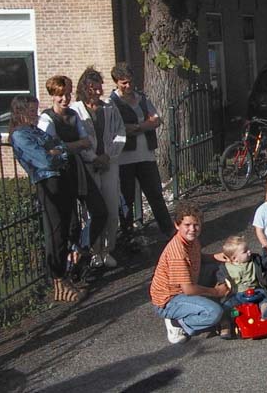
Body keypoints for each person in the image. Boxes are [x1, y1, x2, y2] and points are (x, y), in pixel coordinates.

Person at [9, 96, 86, 302]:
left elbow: (59, 146)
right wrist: (56, 152)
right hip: (48, 183)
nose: (35, 114)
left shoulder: (35, 131)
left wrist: (56, 151)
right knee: (56, 231)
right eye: (31, 110)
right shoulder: (19, 135)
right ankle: (57, 279)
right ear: (20, 111)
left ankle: (68, 272)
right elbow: (44, 161)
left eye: (36, 109)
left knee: (72, 226)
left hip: (63, 178)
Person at [37, 75, 108, 266]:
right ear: (53, 95)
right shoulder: (47, 119)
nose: (65, 99)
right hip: (60, 172)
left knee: (100, 210)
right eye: (60, 95)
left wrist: (86, 153)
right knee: (71, 223)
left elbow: (86, 143)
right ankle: (69, 266)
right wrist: (75, 145)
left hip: (77, 168)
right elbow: (50, 149)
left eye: (68, 94)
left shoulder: (73, 115)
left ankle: (83, 249)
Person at [150, 203, 230, 344]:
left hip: (188, 281)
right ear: (177, 225)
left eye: (196, 225)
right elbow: (188, 289)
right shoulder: (178, 253)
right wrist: (216, 292)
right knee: (214, 313)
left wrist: (216, 256)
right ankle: (178, 323)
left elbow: (198, 257)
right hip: (171, 299)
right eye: (187, 225)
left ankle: (218, 299)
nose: (192, 229)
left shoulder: (191, 240)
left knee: (220, 267)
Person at [71, 67, 126, 269]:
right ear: (84, 89)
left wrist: (108, 156)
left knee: (111, 208)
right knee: (93, 211)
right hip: (89, 166)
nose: (96, 92)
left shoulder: (109, 107)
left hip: (109, 164)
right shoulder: (76, 110)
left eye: (98, 88)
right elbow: (79, 138)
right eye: (92, 88)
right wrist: (93, 158)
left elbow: (119, 133)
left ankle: (107, 249)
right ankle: (93, 251)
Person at [109, 63, 172, 238]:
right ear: (116, 82)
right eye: (123, 83)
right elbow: (119, 128)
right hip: (125, 157)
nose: (128, 86)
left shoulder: (142, 98)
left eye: (130, 82)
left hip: (146, 155)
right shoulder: (111, 103)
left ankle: (168, 230)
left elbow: (157, 120)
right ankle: (128, 234)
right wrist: (145, 124)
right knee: (126, 199)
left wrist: (136, 127)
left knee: (155, 194)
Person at [215, 235, 267, 338]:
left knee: (264, 296)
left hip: (255, 290)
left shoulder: (255, 260)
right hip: (237, 293)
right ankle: (225, 326)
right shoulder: (225, 268)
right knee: (226, 306)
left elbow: (264, 263)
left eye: (248, 249)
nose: (249, 252)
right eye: (245, 251)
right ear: (234, 258)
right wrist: (223, 283)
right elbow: (220, 277)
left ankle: (265, 310)